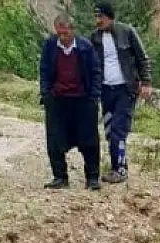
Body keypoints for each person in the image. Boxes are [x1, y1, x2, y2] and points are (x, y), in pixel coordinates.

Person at [39, 13, 104, 190]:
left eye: (65, 33)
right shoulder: (50, 46)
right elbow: (44, 70)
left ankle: (92, 179)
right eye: (59, 33)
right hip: (58, 100)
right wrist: (46, 94)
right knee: (54, 139)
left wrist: (94, 97)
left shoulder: (85, 47)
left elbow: (96, 72)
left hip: (82, 100)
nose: (62, 37)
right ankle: (60, 177)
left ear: (72, 30)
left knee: (89, 141)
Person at [90, 2, 153, 184]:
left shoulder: (127, 32)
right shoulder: (94, 38)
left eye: (100, 17)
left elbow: (142, 58)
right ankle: (115, 165)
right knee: (110, 130)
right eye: (96, 17)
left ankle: (121, 169)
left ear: (110, 17)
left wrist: (146, 82)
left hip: (125, 90)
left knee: (119, 129)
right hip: (105, 90)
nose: (98, 20)